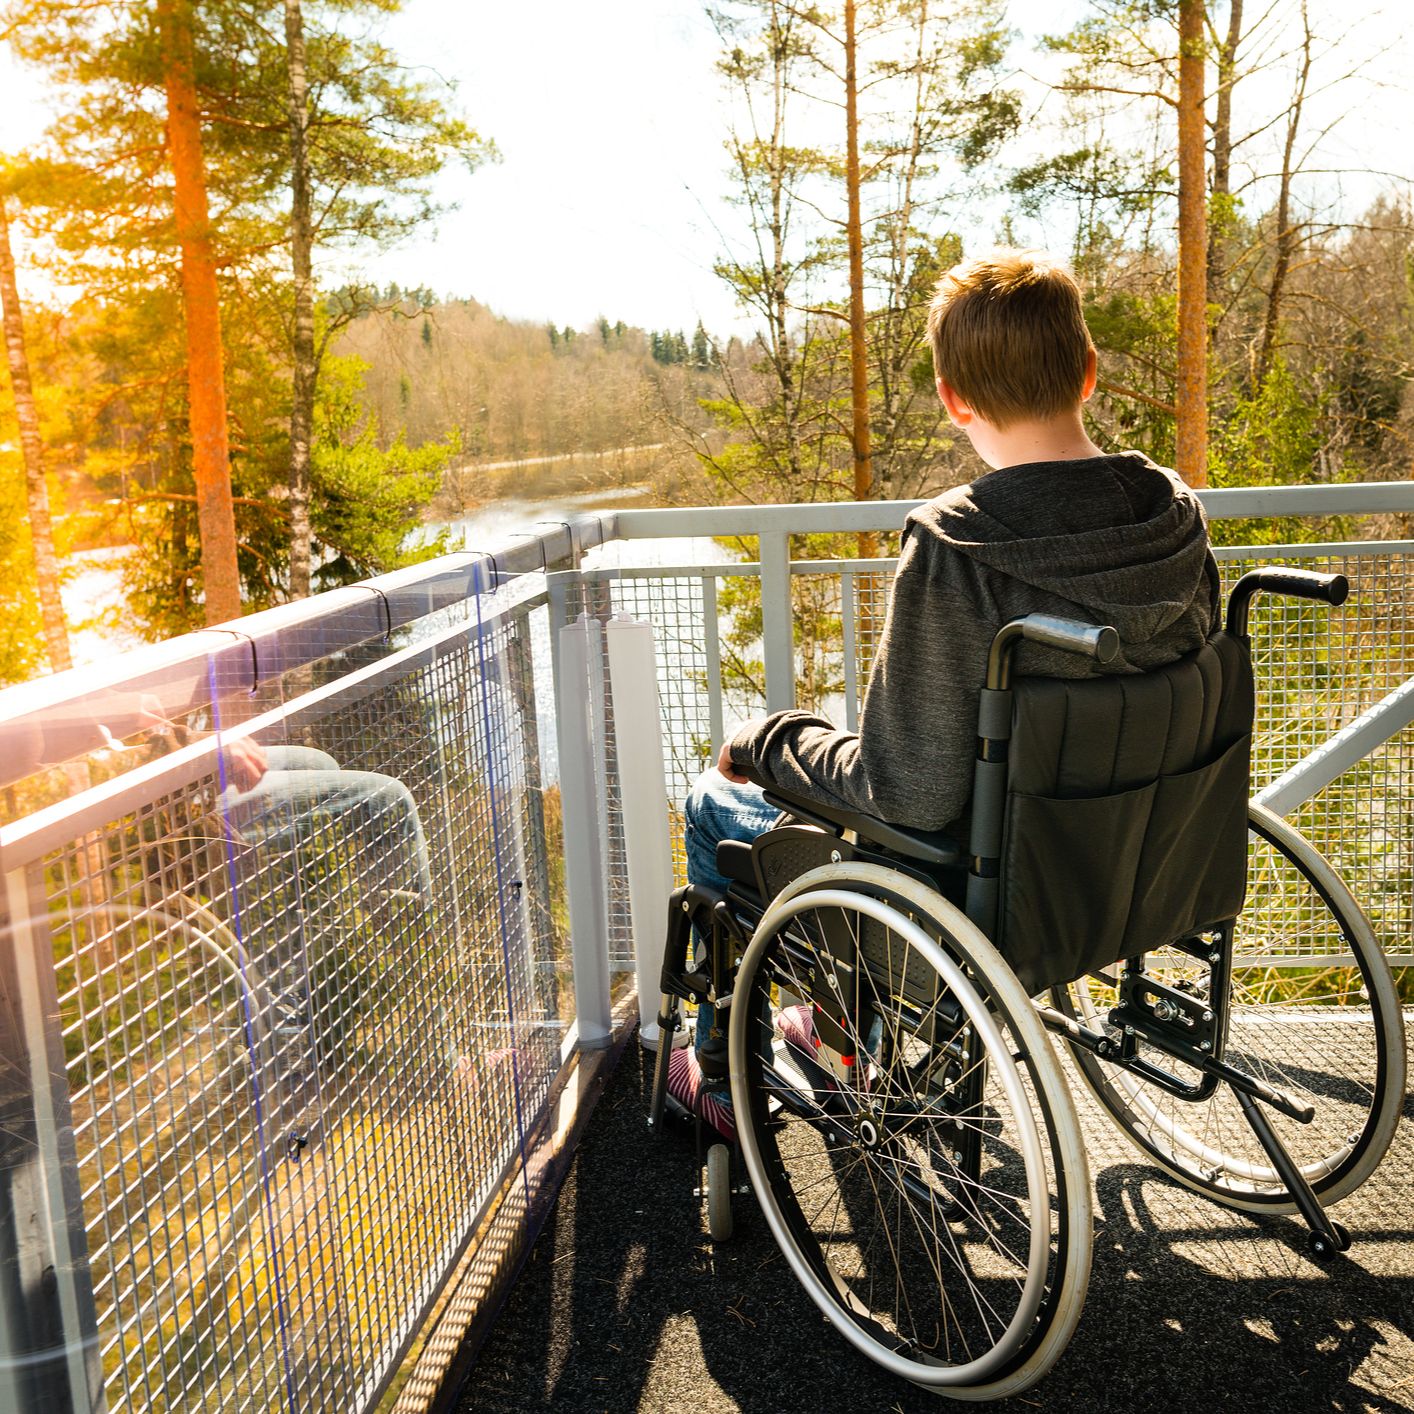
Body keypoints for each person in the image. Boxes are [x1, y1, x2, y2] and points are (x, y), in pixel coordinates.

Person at [684, 245, 1221, 992]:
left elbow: (911, 794)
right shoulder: (1175, 514)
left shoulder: (957, 545)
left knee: (714, 802)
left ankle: (721, 1075)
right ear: (1089, 370)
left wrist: (768, 738)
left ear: (952, 398)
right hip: (1144, 872)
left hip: (976, 913)